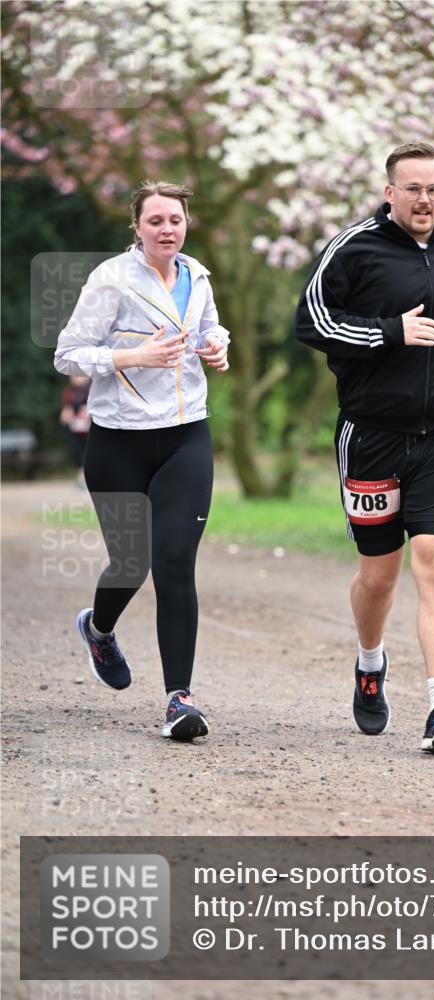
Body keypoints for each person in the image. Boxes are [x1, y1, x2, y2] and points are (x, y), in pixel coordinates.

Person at [295, 142, 434, 755]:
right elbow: (310, 322)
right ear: (390, 192)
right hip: (372, 435)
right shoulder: (354, 248)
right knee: (378, 576)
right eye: (412, 188)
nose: (425, 200)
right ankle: (370, 662)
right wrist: (393, 331)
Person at [54, 180, 230, 741]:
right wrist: (133, 355)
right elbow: (68, 354)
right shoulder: (111, 279)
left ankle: (179, 699)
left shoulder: (196, 276)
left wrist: (217, 344)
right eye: (155, 220)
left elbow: (208, 331)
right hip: (119, 441)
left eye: (175, 219)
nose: (166, 229)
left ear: (186, 223)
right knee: (130, 565)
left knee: (174, 561)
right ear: (137, 226)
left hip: (186, 435)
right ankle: (99, 629)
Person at [59, 375, 91, 487]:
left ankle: (88, 479)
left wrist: (88, 413)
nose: (76, 378)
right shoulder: (69, 392)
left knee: (89, 454)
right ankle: (82, 479)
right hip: (75, 430)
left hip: (90, 430)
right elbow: (67, 409)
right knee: (77, 453)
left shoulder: (92, 389)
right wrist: (65, 415)